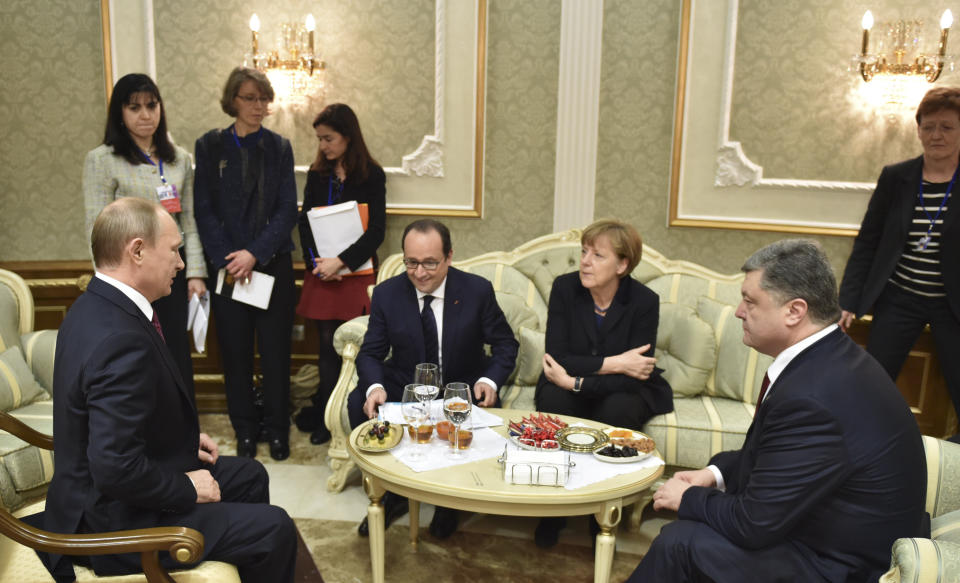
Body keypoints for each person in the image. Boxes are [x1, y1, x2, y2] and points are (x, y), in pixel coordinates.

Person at [628, 239, 927, 583]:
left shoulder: (813, 399)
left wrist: (690, 497)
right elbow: (774, 458)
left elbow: (753, 524)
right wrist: (715, 475)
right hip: (830, 534)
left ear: (795, 311)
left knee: (680, 543)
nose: (739, 311)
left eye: (750, 301)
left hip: (840, 565)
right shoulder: (830, 358)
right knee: (698, 523)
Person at [41, 197, 297, 582]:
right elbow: (113, 468)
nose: (181, 263)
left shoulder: (92, 305)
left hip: (108, 488)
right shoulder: (118, 339)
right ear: (138, 251)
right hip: (113, 519)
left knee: (251, 475)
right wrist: (186, 487)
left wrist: (178, 441)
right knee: (274, 528)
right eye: (175, 250)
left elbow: (111, 421)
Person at [348, 219, 519, 538]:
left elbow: (506, 344)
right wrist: (375, 387)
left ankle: (449, 503)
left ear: (449, 257)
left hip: (461, 387)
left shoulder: (475, 290)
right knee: (358, 400)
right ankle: (391, 494)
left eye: (430, 263)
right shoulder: (388, 293)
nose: (420, 272)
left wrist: (490, 381)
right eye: (411, 262)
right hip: (405, 385)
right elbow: (371, 352)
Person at [533, 219, 673, 548]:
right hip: (566, 380)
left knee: (619, 408)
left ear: (623, 264)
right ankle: (552, 511)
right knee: (555, 402)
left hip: (622, 390)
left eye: (598, 255)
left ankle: (603, 513)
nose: (584, 261)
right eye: (584, 252)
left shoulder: (644, 301)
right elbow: (558, 357)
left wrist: (576, 383)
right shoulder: (565, 289)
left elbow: (635, 374)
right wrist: (616, 362)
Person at [193, 67, 298, 461]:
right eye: (250, 98)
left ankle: (277, 429)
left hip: (271, 265)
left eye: (263, 99)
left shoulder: (279, 147)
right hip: (227, 270)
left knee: (275, 354)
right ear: (232, 101)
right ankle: (246, 430)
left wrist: (254, 253)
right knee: (235, 355)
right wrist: (230, 259)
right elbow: (203, 210)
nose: (258, 106)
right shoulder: (210, 146)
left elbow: (288, 209)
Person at [839, 86, 960, 426]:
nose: (936, 135)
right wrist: (848, 299)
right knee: (870, 384)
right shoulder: (897, 177)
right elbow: (868, 241)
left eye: (947, 127)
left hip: (952, 306)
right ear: (919, 129)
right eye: (928, 126)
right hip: (899, 299)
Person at [82, 72, 206, 397]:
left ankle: (184, 435)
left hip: (171, 274)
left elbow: (189, 222)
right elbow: (97, 228)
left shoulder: (179, 158)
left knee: (176, 353)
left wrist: (195, 273)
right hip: (129, 280)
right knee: (137, 356)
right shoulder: (102, 160)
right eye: (134, 107)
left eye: (152, 105)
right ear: (120, 113)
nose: (145, 114)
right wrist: (111, 284)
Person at [295, 103, 386, 445]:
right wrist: (318, 263)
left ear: (348, 136)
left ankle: (353, 415)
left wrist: (342, 263)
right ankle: (325, 420)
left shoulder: (372, 175)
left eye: (329, 138)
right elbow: (304, 223)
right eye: (319, 139)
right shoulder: (317, 175)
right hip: (322, 274)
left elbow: (376, 230)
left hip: (356, 274)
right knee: (325, 348)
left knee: (356, 348)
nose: (323, 146)